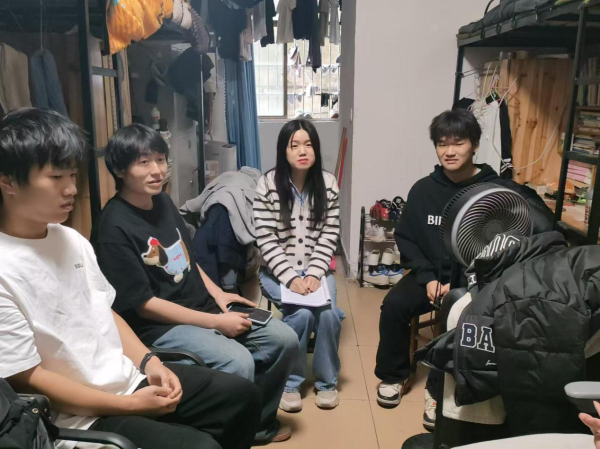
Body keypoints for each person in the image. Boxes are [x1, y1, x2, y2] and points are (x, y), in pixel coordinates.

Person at [0, 108, 261, 449]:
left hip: (128, 378)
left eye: (72, 175)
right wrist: (131, 405)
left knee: (242, 397)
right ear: (8, 182)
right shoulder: (6, 267)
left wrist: (150, 362)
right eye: (56, 177)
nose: (71, 189)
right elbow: (27, 378)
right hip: (81, 414)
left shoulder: (70, 239)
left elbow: (105, 311)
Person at [92, 123, 299, 444]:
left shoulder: (161, 202)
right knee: (237, 360)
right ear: (119, 170)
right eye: (144, 162)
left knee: (284, 339)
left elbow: (187, 258)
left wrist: (220, 295)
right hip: (160, 327)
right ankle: (228, 437)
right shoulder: (113, 228)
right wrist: (215, 322)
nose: (157, 170)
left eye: (160, 159)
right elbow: (145, 306)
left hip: (203, 306)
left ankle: (258, 424)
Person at [374, 109, 554, 429]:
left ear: (474, 145)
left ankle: (438, 391)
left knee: (462, 317)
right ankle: (394, 375)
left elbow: (533, 230)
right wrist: (428, 278)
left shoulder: (497, 190)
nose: (450, 151)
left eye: (458, 143)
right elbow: (407, 239)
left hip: (478, 282)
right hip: (430, 276)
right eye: (442, 144)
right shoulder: (423, 190)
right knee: (394, 305)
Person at [254, 119, 345, 412]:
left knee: (328, 315)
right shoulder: (267, 184)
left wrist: (316, 273)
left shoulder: (328, 184)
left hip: (317, 270)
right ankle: (290, 382)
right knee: (302, 314)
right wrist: (291, 278)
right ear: (284, 150)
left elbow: (330, 233)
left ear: (316, 149)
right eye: (294, 146)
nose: (302, 151)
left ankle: (327, 382)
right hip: (276, 272)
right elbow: (265, 238)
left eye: (308, 145)